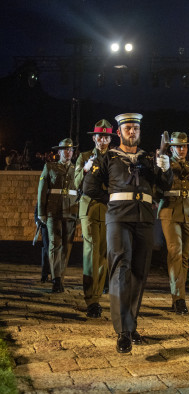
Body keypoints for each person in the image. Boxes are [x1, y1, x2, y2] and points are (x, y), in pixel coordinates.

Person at [83, 113, 173, 353]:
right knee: (121, 267)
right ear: (120, 132)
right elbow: (89, 187)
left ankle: (131, 324)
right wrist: (112, 201)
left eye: (136, 128)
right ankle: (123, 331)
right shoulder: (108, 157)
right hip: (119, 218)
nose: (132, 132)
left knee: (139, 272)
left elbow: (165, 185)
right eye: (128, 128)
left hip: (143, 218)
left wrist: (165, 165)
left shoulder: (147, 158)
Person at [74, 119, 116, 318]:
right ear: (94, 138)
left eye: (107, 136)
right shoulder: (83, 156)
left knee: (103, 253)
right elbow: (76, 183)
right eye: (100, 136)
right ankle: (91, 299)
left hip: (107, 209)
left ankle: (97, 295)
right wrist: (85, 169)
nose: (103, 140)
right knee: (91, 251)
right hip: (90, 207)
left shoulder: (115, 157)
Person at [158, 131, 189, 315]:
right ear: (172, 147)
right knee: (175, 251)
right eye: (178, 146)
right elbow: (159, 184)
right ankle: (179, 298)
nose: (181, 149)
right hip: (170, 209)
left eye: (184, 146)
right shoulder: (165, 164)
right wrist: (162, 163)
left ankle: (179, 294)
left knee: (185, 256)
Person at [37, 138, 78, 293]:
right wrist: (41, 212)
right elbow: (42, 191)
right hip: (53, 211)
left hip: (71, 211)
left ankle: (61, 275)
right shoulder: (50, 167)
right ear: (59, 152)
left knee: (67, 246)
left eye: (71, 150)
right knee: (55, 244)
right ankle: (56, 279)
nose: (68, 152)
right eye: (65, 150)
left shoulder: (77, 169)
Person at [34, 204, 51, 282]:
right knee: (46, 247)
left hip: (53, 221)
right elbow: (38, 206)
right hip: (45, 224)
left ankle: (52, 273)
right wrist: (38, 221)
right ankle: (45, 274)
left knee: (50, 248)